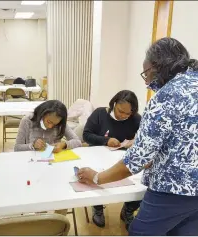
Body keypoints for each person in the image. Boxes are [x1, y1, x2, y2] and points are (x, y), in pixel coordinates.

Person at [77, 37, 198, 235]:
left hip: (173, 190)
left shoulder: (167, 96)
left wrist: (97, 177)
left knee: (140, 232)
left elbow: (135, 160)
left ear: (157, 67)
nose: (147, 82)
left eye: (147, 74)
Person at [83, 90, 141, 229]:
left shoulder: (136, 118)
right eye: (121, 111)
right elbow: (86, 135)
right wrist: (106, 140)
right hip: (98, 156)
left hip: (122, 158)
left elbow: (145, 137)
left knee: (139, 181)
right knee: (97, 177)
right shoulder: (100, 114)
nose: (124, 116)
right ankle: (97, 207)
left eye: (128, 114)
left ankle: (128, 209)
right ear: (114, 104)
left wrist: (136, 140)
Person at [14, 100, 82, 152]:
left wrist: (64, 144)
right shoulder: (28, 120)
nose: (50, 126)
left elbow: (78, 142)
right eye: (48, 121)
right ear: (42, 114)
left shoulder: (60, 123)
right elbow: (17, 148)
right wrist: (33, 145)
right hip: (32, 161)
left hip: (53, 162)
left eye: (54, 124)